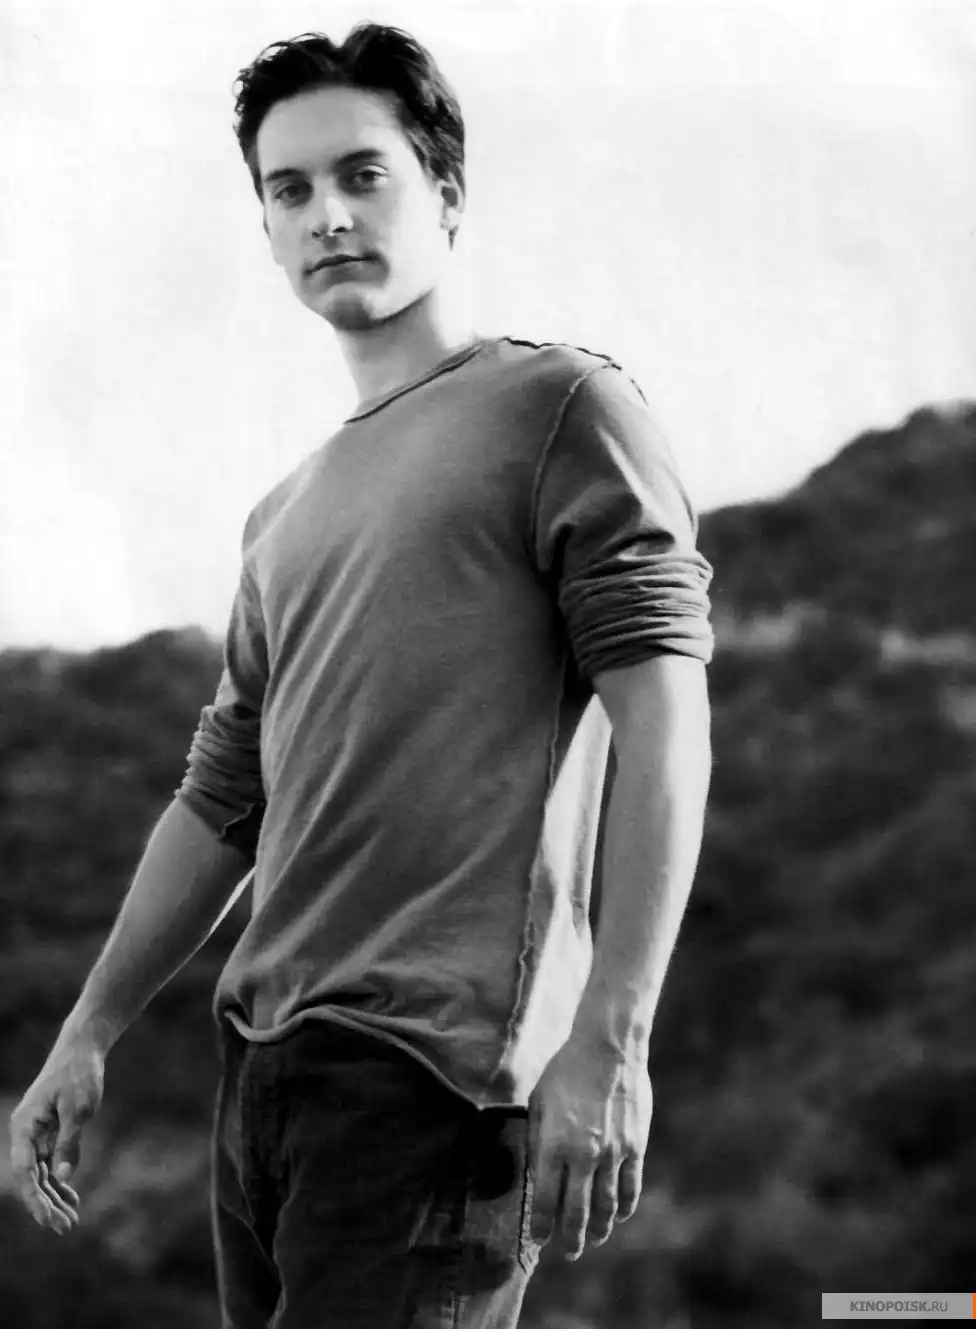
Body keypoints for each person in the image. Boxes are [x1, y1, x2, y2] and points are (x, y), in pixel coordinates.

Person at [9, 22, 714, 1329]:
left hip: (433, 1084)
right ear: (268, 231)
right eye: (290, 190)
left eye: (361, 174)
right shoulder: (283, 514)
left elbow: (667, 722)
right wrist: (88, 1030)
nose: (326, 214)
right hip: (260, 1080)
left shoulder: (560, 408)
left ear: (445, 192)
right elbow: (222, 798)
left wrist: (614, 1034)